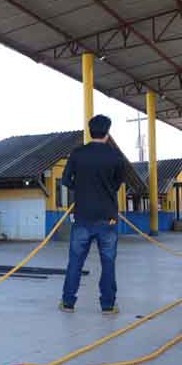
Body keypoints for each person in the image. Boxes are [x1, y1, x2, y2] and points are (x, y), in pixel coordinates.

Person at [59, 115, 125, 315]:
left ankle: (68, 303)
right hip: (108, 217)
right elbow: (117, 183)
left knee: (76, 261)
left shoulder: (78, 154)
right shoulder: (115, 156)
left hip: (82, 217)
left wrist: (81, 188)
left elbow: (65, 180)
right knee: (108, 262)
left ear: (89, 132)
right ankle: (108, 305)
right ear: (107, 132)